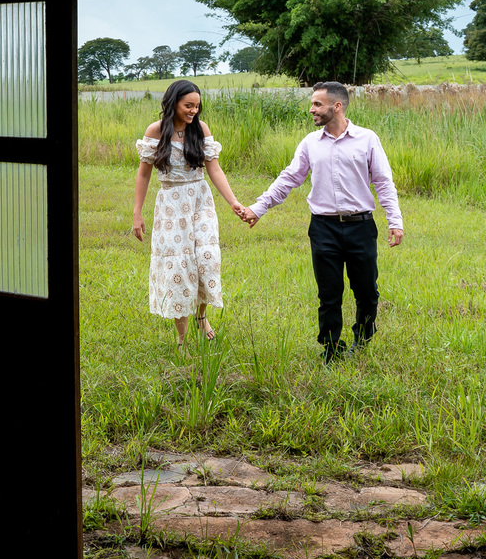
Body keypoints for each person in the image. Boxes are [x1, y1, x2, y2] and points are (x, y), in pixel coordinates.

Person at [239, 81, 403, 362]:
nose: (312, 109)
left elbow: (383, 183)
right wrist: (259, 207)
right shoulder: (310, 143)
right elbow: (289, 178)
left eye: (317, 104)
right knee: (329, 293)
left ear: (336, 107)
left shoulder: (366, 139)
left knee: (366, 291)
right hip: (323, 227)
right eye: (312, 103)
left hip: (360, 226)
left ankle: (362, 340)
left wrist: (395, 221)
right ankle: (331, 348)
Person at [133, 80, 245, 348]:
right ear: (173, 103)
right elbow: (143, 173)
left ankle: (201, 316)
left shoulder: (201, 129)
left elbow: (214, 169)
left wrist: (233, 202)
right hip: (170, 205)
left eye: (197, 106)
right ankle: (182, 339)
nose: (194, 110)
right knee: (178, 268)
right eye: (188, 105)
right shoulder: (156, 130)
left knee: (205, 260)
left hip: (200, 201)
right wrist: (137, 213)